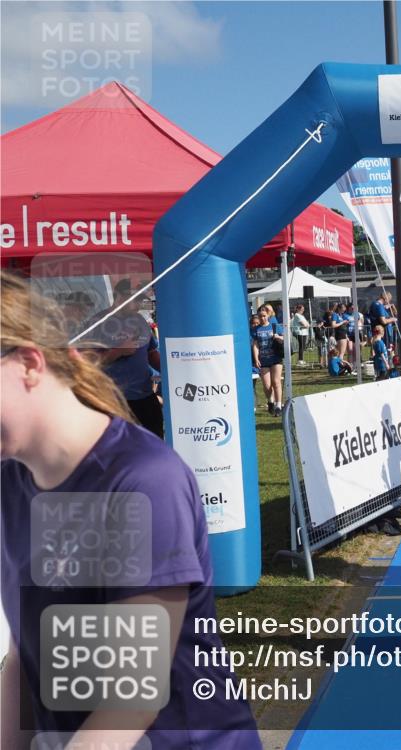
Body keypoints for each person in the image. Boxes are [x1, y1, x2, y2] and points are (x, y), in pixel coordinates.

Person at [0, 272, 261, 749]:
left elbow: (131, 698)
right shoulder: (12, 480)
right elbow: (24, 651)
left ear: (30, 364)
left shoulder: (141, 482)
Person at [85, 279, 163, 437]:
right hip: (114, 402)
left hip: (145, 397)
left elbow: (151, 354)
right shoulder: (97, 323)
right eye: (136, 299)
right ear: (119, 297)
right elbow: (87, 363)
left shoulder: (141, 321)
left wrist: (172, 372)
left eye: (141, 300)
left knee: (154, 443)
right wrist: (118, 352)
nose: (139, 304)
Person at [252, 304, 284, 415]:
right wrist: (256, 358)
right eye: (260, 316)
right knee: (266, 385)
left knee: (276, 382)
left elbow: (284, 338)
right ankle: (270, 401)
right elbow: (255, 345)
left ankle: (278, 405)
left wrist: (278, 337)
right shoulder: (256, 329)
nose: (262, 318)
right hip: (264, 360)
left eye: (264, 315)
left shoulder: (274, 326)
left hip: (276, 358)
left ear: (268, 315)